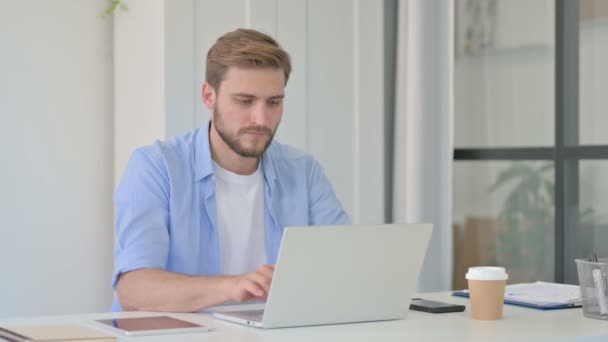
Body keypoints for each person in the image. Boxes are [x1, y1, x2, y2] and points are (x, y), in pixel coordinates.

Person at [112, 28, 350, 312]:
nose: (261, 119)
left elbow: (344, 266)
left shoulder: (303, 171)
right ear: (209, 96)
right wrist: (233, 286)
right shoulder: (157, 167)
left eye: (274, 102)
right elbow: (135, 288)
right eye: (245, 101)